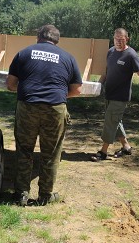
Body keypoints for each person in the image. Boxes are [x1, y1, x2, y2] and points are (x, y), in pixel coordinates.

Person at [6, 25, 83, 206]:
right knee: (51, 152)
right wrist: (57, 95)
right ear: (57, 40)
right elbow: (77, 90)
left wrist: (30, 90)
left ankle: (21, 194)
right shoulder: (68, 57)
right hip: (55, 108)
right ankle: (45, 195)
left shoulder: (24, 53)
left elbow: (10, 84)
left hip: (27, 106)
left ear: (38, 37)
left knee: (24, 150)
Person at [91, 27, 139, 162]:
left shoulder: (131, 55)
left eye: (121, 39)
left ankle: (103, 151)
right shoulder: (110, 52)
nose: (118, 41)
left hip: (121, 96)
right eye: (116, 39)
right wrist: (99, 85)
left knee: (110, 121)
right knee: (115, 120)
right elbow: (106, 72)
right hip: (109, 94)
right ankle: (126, 147)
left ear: (127, 39)